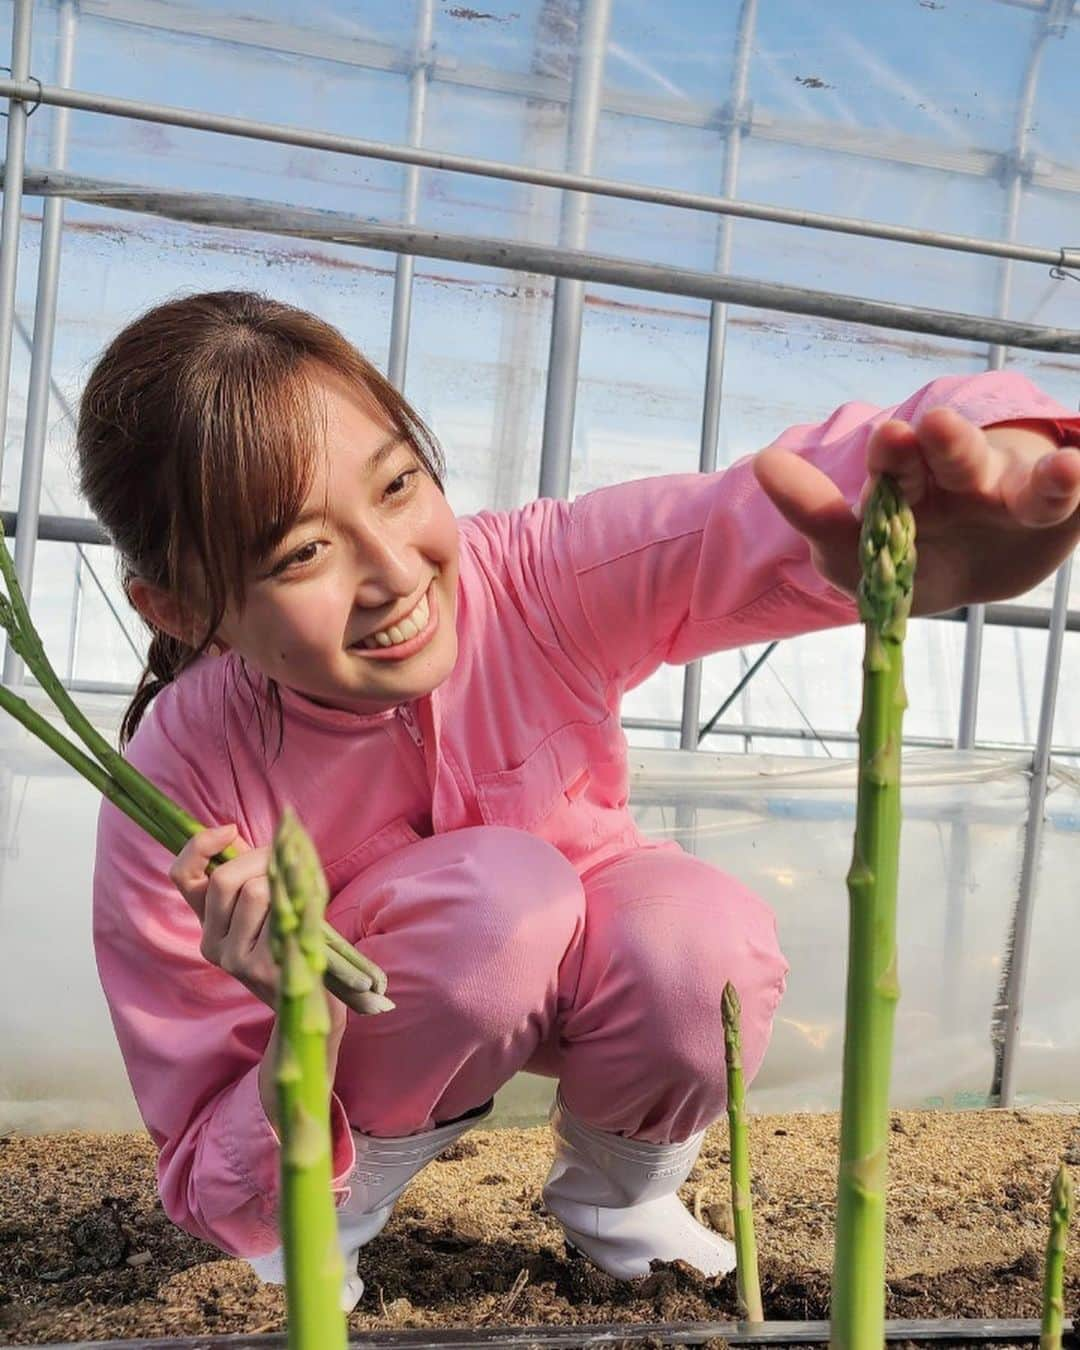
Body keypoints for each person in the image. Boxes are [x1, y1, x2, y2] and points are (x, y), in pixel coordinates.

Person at [84, 291, 1080, 1310]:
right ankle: (333, 1217)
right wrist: (301, 1025)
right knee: (502, 899)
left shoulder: (533, 578)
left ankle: (622, 1200)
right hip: (364, 1079)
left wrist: (991, 449)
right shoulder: (181, 784)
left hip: (586, 972)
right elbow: (199, 1141)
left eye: (398, 486)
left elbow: (742, 517)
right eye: (301, 553)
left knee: (701, 938)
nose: (395, 572)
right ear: (179, 607)